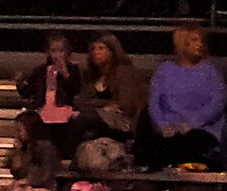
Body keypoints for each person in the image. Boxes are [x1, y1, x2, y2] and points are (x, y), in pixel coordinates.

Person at [140, 22, 225, 172]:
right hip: (169, 130)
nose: (199, 44)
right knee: (156, 145)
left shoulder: (210, 72)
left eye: (201, 41)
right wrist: (162, 125)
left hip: (202, 130)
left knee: (192, 143)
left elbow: (218, 103)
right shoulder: (164, 71)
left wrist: (192, 124)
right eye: (193, 40)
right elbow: (154, 103)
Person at [10, 31, 83, 190]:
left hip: (63, 113)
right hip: (44, 112)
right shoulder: (40, 70)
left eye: (61, 51)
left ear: (67, 52)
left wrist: (65, 73)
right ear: (48, 52)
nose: (57, 54)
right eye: (54, 50)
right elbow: (28, 92)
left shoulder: (74, 70)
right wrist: (20, 83)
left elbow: (75, 89)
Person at [72, 31, 149, 171]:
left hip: (120, 123)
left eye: (101, 48)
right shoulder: (92, 77)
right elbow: (83, 100)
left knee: (83, 119)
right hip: (97, 121)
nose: (96, 52)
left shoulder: (124, 73)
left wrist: (100, 107)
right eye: (93, 49)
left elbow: (127, 104)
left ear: (112, 51)